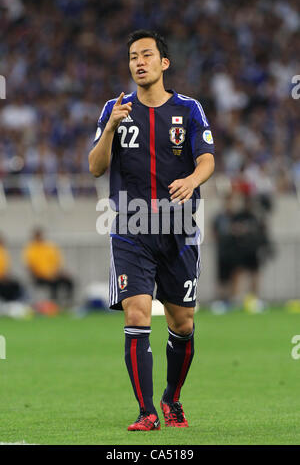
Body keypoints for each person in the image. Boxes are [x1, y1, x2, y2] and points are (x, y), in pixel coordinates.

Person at [89, 30, 215, 431]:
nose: (138, 62)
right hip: (130, 226)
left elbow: (208, 158)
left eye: (146, 55)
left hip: (178, 230)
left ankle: (170, 399)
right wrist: (110, 128)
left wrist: (193, 179)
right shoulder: (115, 109)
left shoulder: (189, 108)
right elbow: (95, 167)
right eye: (132, 57)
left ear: (164, 63)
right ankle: (146, 412)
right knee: (138, 311)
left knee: (183, 323)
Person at [22, 228, 74, 303]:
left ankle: (68, 302)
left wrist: (59, 273)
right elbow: (30, 266)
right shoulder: (30, 248)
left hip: (54, 274)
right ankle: (54, 303)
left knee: (69, 281)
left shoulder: (50, 246)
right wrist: (43, 275)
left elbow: (58, 262)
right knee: (53, 282)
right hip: (39, 276)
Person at [0, 234, 24, 303]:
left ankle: (11, 302)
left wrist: (6, 276)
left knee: (15, 285)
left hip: (4, 277)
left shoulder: (4, 252)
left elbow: (6, 268)